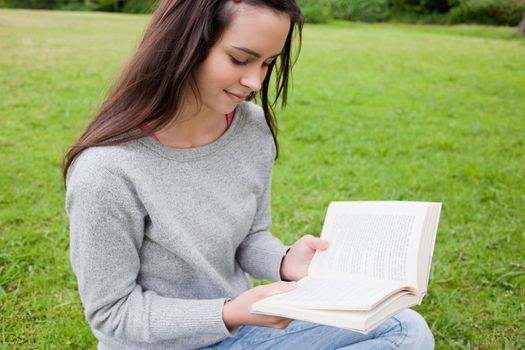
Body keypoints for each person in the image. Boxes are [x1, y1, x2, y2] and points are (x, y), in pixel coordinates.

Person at [63, 0, 435, 349]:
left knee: (403, 328)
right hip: (163, 342)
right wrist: (229, 312)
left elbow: (250, 236)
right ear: (183, 43)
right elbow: (111, 313)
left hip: (238, 332)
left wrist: (285, 261)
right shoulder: (105, 171)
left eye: (268, 63)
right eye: (240, 59)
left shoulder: (251, 128)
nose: (255, 82)